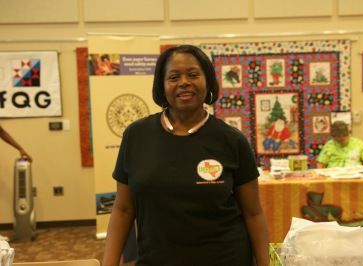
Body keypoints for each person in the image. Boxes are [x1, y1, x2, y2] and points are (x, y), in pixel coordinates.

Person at [102, 45, 269, 266]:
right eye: (173, 77)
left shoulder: (231, 140)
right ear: (162, 85)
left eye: (193, 74)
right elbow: (123, 209)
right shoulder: (136, 135)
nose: (184, 82)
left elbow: (253, 213)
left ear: (208, 81)